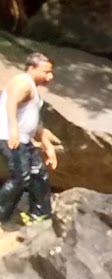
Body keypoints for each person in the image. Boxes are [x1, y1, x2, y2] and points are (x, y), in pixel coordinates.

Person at [0, 52, 58, 226]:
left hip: (25, 140)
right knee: (20, 178)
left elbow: (35, 121)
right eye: (46, 72)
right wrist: (14, 130)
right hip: (9, 137)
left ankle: (40, 217)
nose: (50, 77)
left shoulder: (32, 88)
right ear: (32, 68)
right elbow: (11, 103)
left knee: (38, 174)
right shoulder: (23, 83)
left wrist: (47, 145)